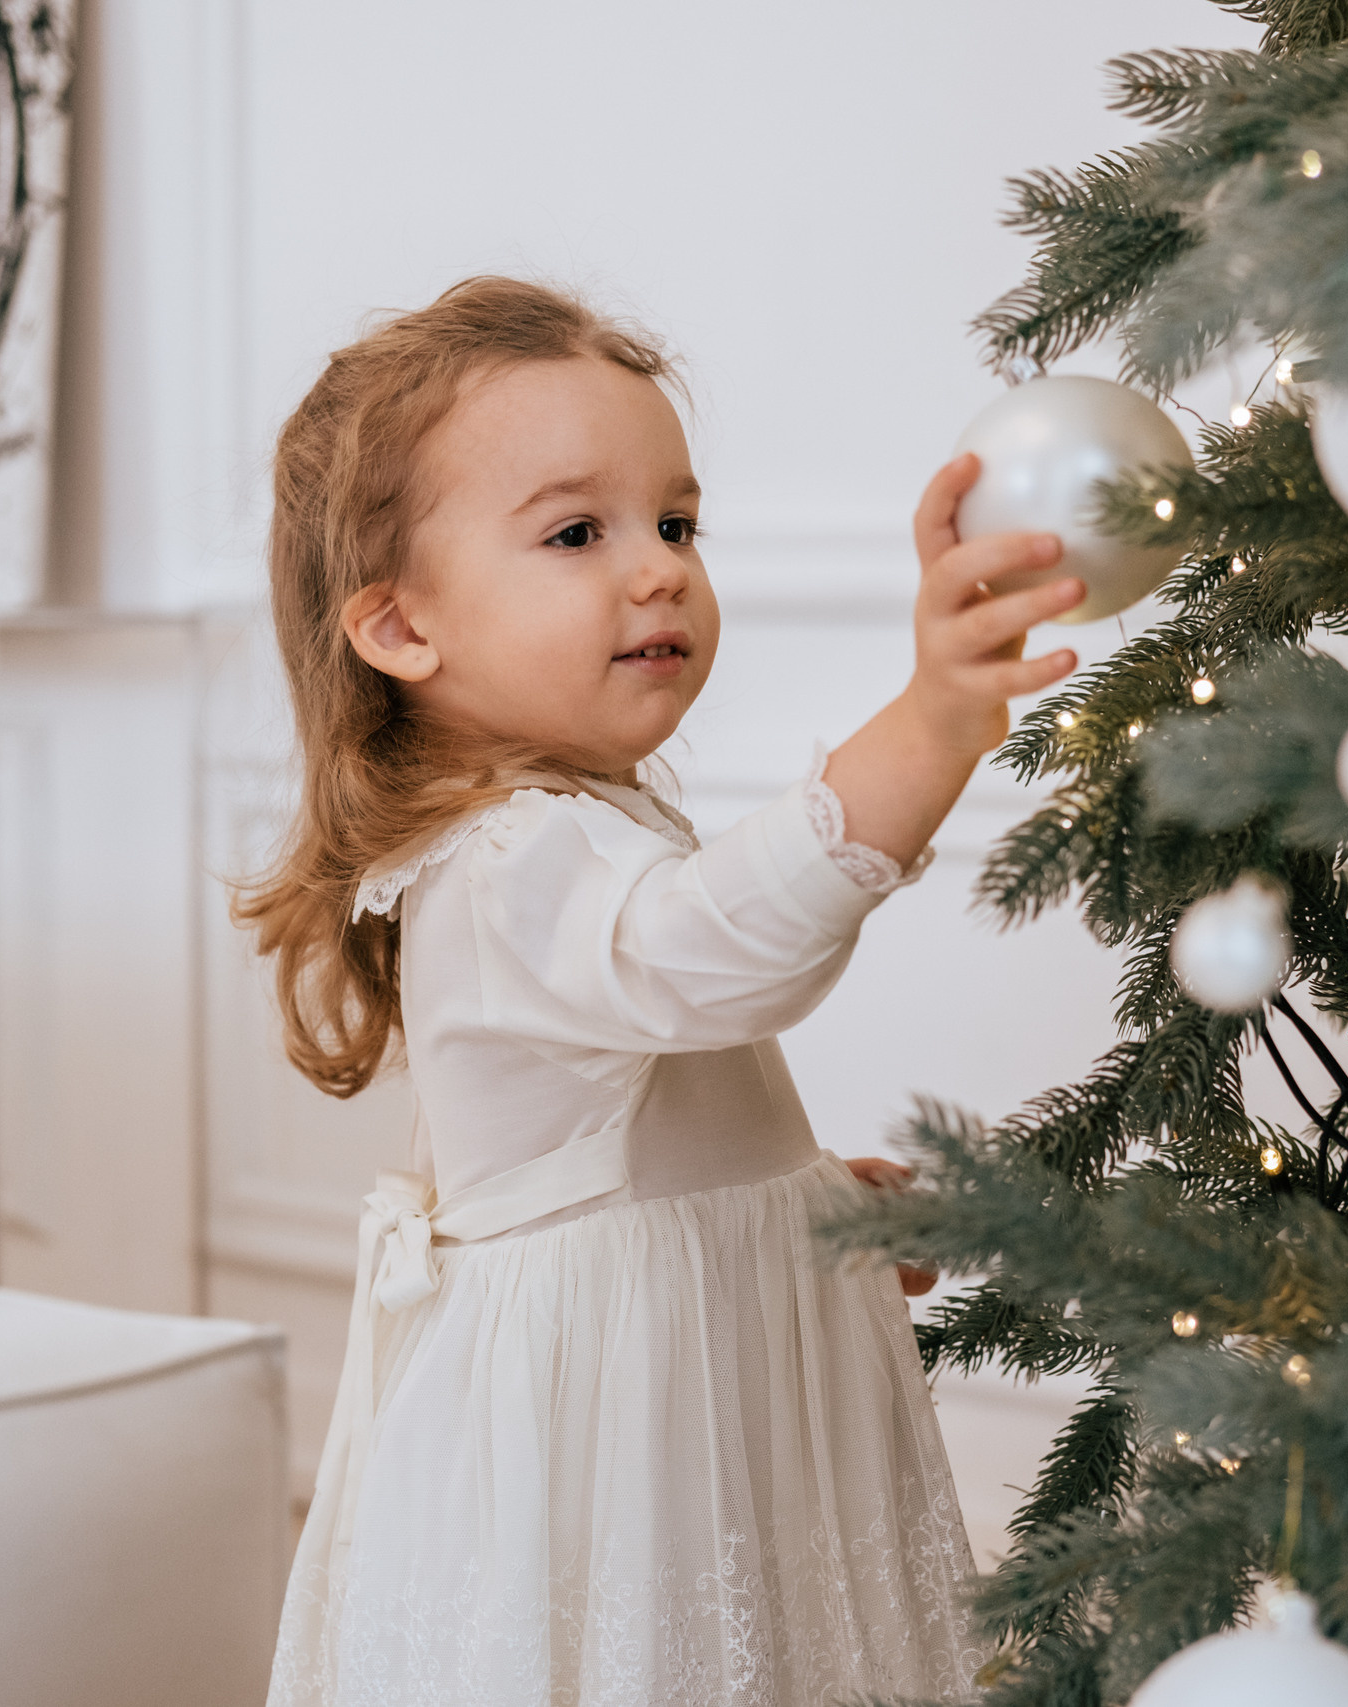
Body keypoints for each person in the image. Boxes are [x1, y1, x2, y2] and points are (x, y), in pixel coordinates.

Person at [240, 275, 1083, 1705]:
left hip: (700, 1398)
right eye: (579, 533)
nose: (661, 571)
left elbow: (653, 1114)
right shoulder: (504, 858)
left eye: (677, 523)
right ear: (399, 629)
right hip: (611, 1450)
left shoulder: (588, 826)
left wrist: (813, 1207)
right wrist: (937, 716)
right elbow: (714, 957)